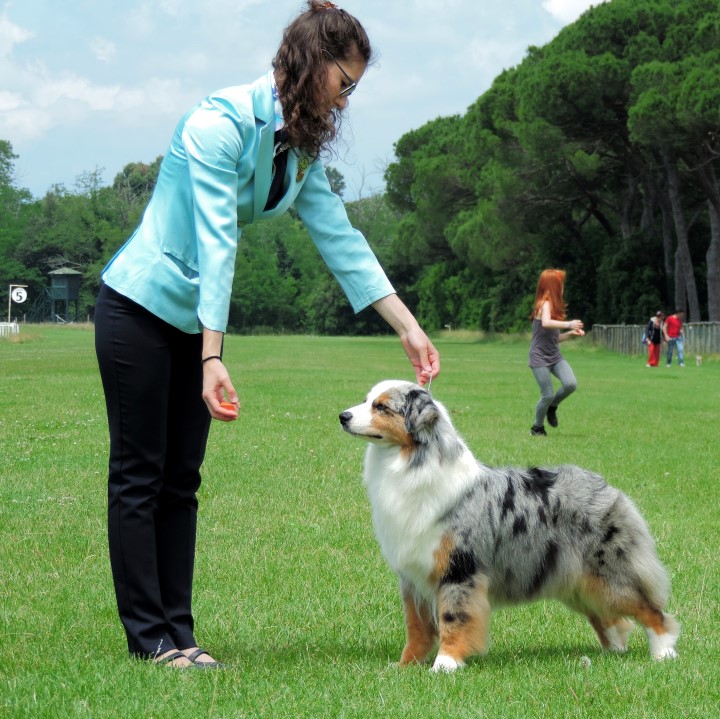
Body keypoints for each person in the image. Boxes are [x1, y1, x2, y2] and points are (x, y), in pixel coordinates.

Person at [94, 0, 440, 670]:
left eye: (354, 88)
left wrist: (408, 326)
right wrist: (214, 354)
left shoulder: (299, 151)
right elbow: (216, 239)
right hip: (138, 308)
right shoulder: (218, 123)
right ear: (312, 66)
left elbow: (341, 236)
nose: (346, 100)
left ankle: (180, 633)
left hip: (193, 323)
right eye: (345, 82)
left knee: (182, 479)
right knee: (140, 474)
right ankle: (149, 639)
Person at [528, 269, 585, 436]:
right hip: (539, 358)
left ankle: (552, 406)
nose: (562, 288)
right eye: (561, 284)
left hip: (555, 356)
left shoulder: (553, 308)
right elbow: (545, 323)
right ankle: (537, 427)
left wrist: (569, 334)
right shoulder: (544, 304)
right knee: (547, 395)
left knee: (570, 384)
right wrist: (569, 324)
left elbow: (554, 338)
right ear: (553, 286)